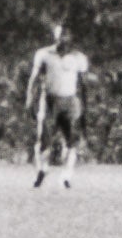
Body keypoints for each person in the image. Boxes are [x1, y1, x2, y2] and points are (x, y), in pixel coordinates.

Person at [22, 21, 92, 185]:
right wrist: (29, 98)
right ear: (55, 36)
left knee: (71, 139)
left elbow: (83, 84)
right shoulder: (44, 54)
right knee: (43, 137)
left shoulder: (79, 58)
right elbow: (34, 78)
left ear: (70, 37)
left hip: (70, 100)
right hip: (49, 99)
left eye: (66, 35)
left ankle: (66, 176)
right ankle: (42, 169)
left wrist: (84, 105)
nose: (63, 38)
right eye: (60, 34)